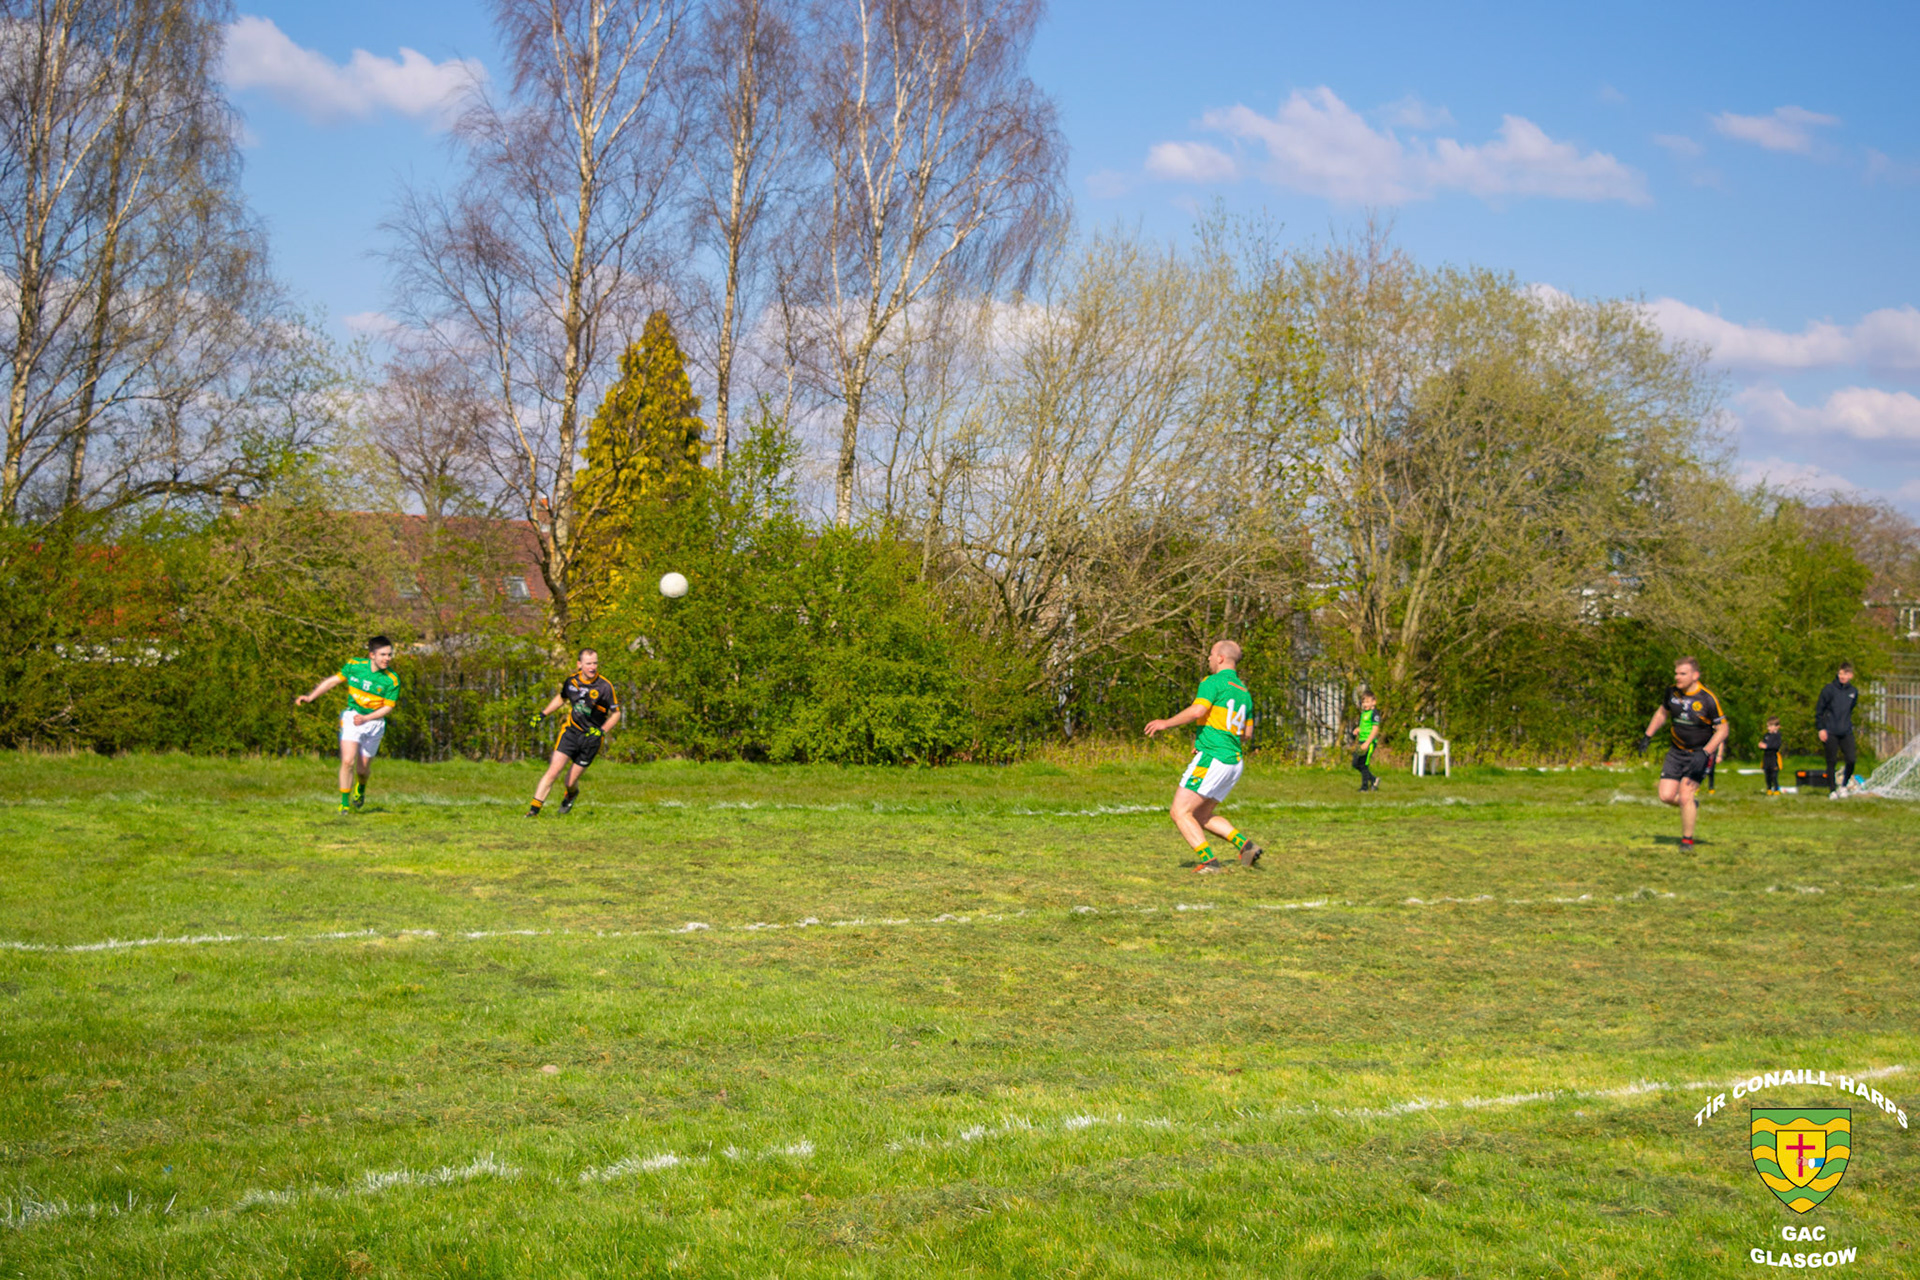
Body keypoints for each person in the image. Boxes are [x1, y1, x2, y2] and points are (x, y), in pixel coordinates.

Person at [1144, 640, 1264, 873]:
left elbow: (1198, 710)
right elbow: (1246, 734)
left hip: (1214, 757)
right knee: (1200, 814)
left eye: (1211, 654)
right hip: (1234, 762)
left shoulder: (1212, 682)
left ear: (1220, 658)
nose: (1208, 658)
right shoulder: (1244, 692)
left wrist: (1165, 723)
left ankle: (1209, 862)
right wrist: (1211, 739)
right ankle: (1246, 846)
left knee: (1180, 812)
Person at [294, 635, 400, 814]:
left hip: (374, 723)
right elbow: (333, 681)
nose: (387, 658)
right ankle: (344, 804)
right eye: (383, 654)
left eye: (389, 655)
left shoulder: (392, 679)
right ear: (372, 655)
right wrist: (311, 697)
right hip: (352, 718)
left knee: (362, 770)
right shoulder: (354, 666)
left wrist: (367, 718)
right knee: (347, 760)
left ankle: (361, 787)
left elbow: (388, 708)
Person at [1633, 655, 1729, 851]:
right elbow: (1662, 713)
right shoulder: (1671, 692)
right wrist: (1647, 736)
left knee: (1685, 795)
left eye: (1683, 674)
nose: (1678, 677)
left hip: (1699, 754)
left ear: (1695, 675)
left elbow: (1723, 730)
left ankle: (1687, 841)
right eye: (1676, 673)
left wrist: (1706, 753)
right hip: (1676, 752)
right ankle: (1691, 806)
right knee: (1666, 796)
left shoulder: (1707, 699)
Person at [525, 649, 621, 817]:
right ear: (579, 664)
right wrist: (543, 714)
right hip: (570, 733)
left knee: (569, 781)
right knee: (553, 772)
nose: (592, 667)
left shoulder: (605, 686)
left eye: (595, 663)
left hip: (591, 739)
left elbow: (616, 714)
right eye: (588, 663)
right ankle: (533, 811)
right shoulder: (571, 682)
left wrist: (601, 731)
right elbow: (562, 698)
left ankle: (571, 793)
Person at [1814, 663, 1860, 798]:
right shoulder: (1829, 689)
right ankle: (1832, 790)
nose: (1842, 676)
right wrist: (1821, 728)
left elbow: (1850, 709)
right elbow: (1819, 710)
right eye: (1840, 673)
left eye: (1845, 674)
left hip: (1846, 731)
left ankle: (1844, 786)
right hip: (1830, 731)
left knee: (1851, 759)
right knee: (1831, 761)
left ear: (1850, 675)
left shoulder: (1853, 692)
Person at [1352, 692, 1382, 792]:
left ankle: (1364, 787)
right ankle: (1373, 779)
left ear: (1374, 702)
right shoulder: (1364, 713)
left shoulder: (1374, 713)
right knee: (1355, 763)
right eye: (1363, 702)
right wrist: (1358, 729)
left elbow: (1375, 729)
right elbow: (1365, 726)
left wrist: (1368, 742)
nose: (1365, 704)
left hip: (1369, 742)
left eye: (1368, 702)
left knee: (1364, 763)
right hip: (1362, 741)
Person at [1760, 717, 1783, 796]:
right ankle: (1769, 789)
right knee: (1767, 774)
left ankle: (1776, 789)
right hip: (1766, 758)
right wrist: (1761, 745)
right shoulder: (1767, 735)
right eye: (1768, 726)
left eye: (1770, 726)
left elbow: (1776, 745)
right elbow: (1764, 743)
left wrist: (1767, 746)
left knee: (1774, 775)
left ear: (1777, 726)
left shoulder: (1777, 736)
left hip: (1774, 757)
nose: (1768, 728)